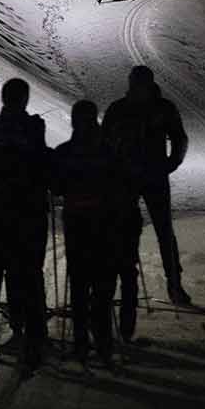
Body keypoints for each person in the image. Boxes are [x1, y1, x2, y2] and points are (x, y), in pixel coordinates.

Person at [0, 78, 49, 371]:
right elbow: (42, 168)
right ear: (25, 100)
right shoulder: (33, 128)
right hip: (28, 216)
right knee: (28, 276)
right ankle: (33, 339)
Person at [103, 65, 192, 305]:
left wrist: (170, 164)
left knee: (163, 230)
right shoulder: (120, 108)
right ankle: (122, 283)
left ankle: (174, 284)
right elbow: (103, 142)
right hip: (127, 178)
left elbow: (179, 138)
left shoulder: (162, 108)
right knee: (124, 230)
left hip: (152, 176)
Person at [53, 100, 132, 365]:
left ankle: (81, 343)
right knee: (102, 284)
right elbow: (123, 185)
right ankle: (103, 342)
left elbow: (56, 186)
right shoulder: (109, 151)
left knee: (79, 284)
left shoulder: (66, 152)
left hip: (78, 223)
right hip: (104, 225)